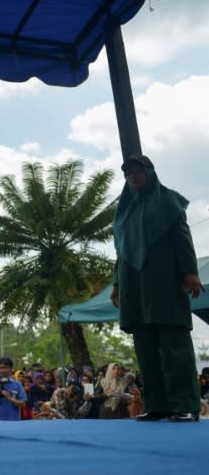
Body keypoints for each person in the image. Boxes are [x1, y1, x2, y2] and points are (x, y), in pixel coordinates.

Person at [110, 155, 204, 423]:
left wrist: (189, 271)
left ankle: (185, 404)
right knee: (145, 345)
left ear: (150, 172)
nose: (133, 177)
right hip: (133, 284)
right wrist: (117, 283)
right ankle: (158, 405)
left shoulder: (168, 201)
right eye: (128, 174)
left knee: (174, 342)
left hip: (163, 280)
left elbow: (182, 238)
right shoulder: (124, 208)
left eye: (138, 172)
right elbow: (120, 250)